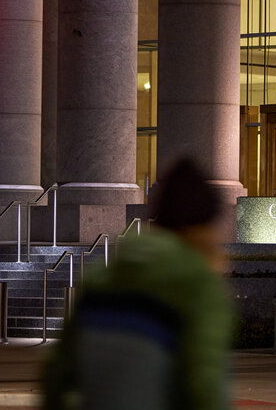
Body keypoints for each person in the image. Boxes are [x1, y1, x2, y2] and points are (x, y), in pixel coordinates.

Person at [44, 158, 234, 410]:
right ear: (205, 228)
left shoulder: (100, 277)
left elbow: (58, 376)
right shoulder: (197, 286)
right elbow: (205, 387)